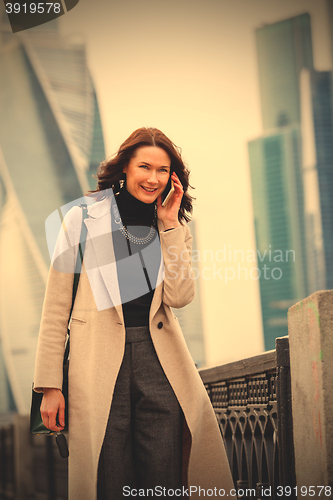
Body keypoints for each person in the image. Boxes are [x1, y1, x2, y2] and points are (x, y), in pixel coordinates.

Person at [33, 127, 234, 500]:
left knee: (165, 477)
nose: (153, 178)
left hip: (159, 361)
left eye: (163, 170)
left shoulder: (173, 226)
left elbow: (180, 296)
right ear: (125, 167)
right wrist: (49, 385)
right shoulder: (82, 218)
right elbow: (56, 305)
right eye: (145, 166)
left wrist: (171, 224)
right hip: (96, 360)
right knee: (108, 477)